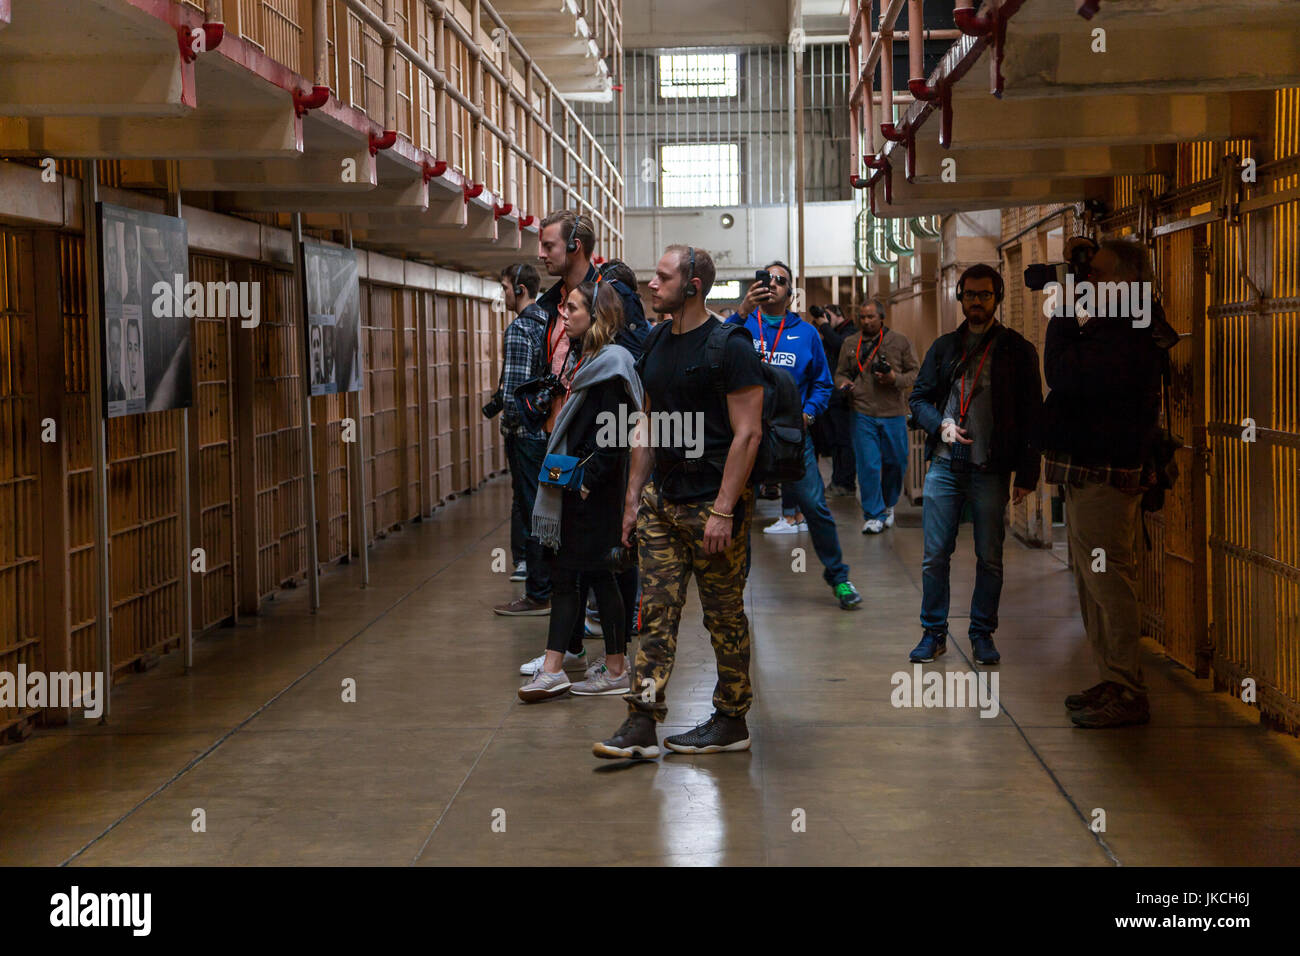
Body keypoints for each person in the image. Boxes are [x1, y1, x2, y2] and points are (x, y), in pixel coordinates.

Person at [594, 245, 763, 759]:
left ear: (692, 286)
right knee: (657, 614)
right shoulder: (657, 340)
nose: (651, 284)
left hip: (714, 504)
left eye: (662, 278)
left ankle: (732, 718)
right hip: (663, 504)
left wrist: (724, 510)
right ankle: (642, 720)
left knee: (723, 615)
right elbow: (646, 423)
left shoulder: (730, 345)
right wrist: (631, 502)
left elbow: (748, 434)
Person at [1043, 238, 1178, 729]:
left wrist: (1061, 311)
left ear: (1123, 281)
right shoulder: (1118, 322)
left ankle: (1128, 688)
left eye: (1095, 274)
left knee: (1108, 579)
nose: (1086, 282)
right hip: (1086, 466)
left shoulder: (1129, 329)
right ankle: (1112, 676)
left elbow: (1061, 372)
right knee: (1089, 579)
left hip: (1105, 469)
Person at [907, 263, 1042, 666]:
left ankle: (982, 633)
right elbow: (917, 400)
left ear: (997, 297)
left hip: (991, 468)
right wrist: (941, 425)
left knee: (990, 556)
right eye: (970, 295)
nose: (976, 302)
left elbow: (1033, 414)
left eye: (984, 295)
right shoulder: (945, 347)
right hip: (946, 466)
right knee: (934, 556)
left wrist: (1028, 473)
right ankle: (933, 633)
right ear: (960, 298)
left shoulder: (1017, 350)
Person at [517, 280, 642, 702]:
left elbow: (615, 435)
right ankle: (607, 667)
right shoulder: (589, 360)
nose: (564, 314)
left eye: (572, 308)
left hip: (593, 494)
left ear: (597, 314)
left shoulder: (612, 364)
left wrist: (585, 485)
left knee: (580, 577)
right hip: (582, 490)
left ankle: (572, 669)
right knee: (585, 577)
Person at [732, 263, 862, 610]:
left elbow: (822, 382)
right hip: (744, 436)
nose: (772, 285)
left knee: (815, 506)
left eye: (781, 281)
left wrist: (808, 414)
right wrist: (741, 311)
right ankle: (734, 587)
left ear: (791, 293)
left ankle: (839, 578)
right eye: (766, 279)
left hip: (790, 436)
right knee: (736, 510)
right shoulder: (742, 325)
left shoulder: (806, 334)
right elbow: (714, 353)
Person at [835, 298, 920, 533]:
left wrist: (896, 380)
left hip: (893, 411)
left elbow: (915, 372)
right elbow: (840, 373)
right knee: (869, 465)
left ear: (882, 318)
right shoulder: (850, 343)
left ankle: (889, 504)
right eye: (862, 317)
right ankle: (873, 514)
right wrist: (843, 384)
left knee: (896, 461)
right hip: (862, 412)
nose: (866, 321)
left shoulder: (899, 341)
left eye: (871, 317)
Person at [496, 263, 553, 601]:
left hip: (524, 435)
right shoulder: (547, 323)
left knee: (529, 507)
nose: (502, 294)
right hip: (544, 431)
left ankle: (538, 591)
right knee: (542, 508)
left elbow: (513, 395)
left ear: (519, 289)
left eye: (504, 287)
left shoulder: (518, 329)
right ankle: (546, 584)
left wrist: (510, 421)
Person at [105, 317, 126, 402]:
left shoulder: (124, 394)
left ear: (121, 351)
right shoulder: (106, 395)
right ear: (109, 352)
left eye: (118, 347)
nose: (116, 357)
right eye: (113, 347)